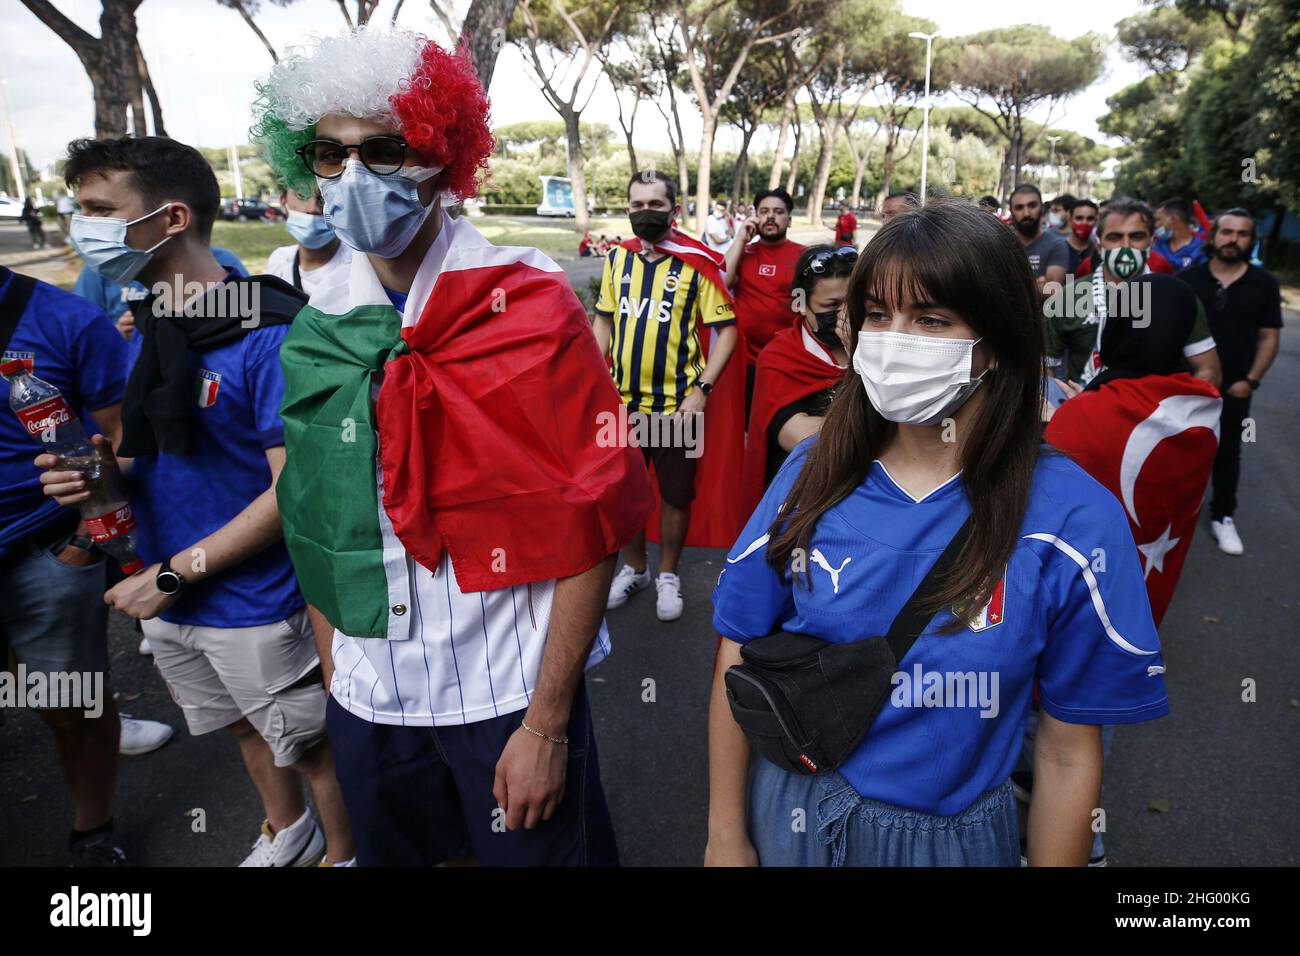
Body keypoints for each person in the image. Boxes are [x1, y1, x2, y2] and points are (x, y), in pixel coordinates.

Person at [253, 25, 646, 866]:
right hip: (369, 704)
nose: (353, 176)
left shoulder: (530, 305)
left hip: (507, 695)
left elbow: (596, 519)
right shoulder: (316, 327)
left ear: (442, 157)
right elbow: (314, 521)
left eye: (385, 150)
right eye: (328, 155)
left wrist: (547, 722)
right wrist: (337, 684)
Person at [705, 200, 1169, 868]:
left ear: (999, 341)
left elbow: (1067, 755)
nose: (895, 340)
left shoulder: (1073, 519)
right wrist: (726, 836)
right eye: (876, 315)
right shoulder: (813, 471)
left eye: (930, 319)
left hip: (950, 844)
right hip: (789, 815)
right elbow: (738, 647)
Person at [47, 134, 355, 868]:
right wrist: (96, 480)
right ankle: (287, 830)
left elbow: (297, 491)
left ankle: (344, 854)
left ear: (173, 217)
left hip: (252, 598)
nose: (80, 226)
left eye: (98, 209)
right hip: (169, 594)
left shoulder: (269, 331)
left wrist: (173, 574)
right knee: (240, 727)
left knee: (310, 744)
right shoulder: (152, 323)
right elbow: (142, 457)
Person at [1, 265, 171, 866]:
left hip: (44, 556)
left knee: (73, 708)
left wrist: (82, 542)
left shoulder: (64, 319)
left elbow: (124, 438)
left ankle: (92, 831)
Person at [593, 171, 740, 621]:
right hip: (623, 405)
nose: (645, 213)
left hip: (679, 407)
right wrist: (593, 377)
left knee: (676, 496)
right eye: (637, 205)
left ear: (674, 210)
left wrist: (702, 392)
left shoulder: (696, 262)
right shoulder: (616, 259)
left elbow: (727, 331)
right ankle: (636, 569)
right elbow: (603, 320)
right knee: (626, 495)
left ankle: (669, 575)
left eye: (655, 205)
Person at [1176, 209, 1283, 556]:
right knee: (1177, 452)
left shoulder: (1264, 284)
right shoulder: (1188, 279)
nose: (1233, 239)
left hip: (1234, 389)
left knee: (1227, 453)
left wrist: (1250, 381)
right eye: (1226, 232)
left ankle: (1223, 516)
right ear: (1213, 236)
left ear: (1251, 241)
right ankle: (1170, 519)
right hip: (1185, 391)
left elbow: (1268, 337)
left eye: (1242, 233)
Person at [1046, 197, 1221, 386]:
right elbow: (1045, 370)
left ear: (1152, 242)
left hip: (1155, 413)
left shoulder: (1179, 299)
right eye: (1115, 237)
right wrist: (1066, 407)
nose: (1126, 246)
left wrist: (1175, 412)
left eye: (1136, 236)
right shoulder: (1068, 298)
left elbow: (1208, 370)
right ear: (1098, 244)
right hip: (1084, 409)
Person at [739, 243, 853, 515]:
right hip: (797, 503)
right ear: (801, 305)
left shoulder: (875, 347)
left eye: (853, 302)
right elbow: (802, 437)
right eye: (832, 305)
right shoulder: (779, 356)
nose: (846, 315)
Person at [723, 187, 805, 414]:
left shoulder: (803, 255)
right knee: (746, 423)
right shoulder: (744, 252)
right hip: (745, 360)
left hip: (786, 360)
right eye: (764, 211)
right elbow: (723, 280)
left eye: (778, 211)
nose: (770, 216)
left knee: (778, 420)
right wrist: (740, 238)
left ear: (789, 219)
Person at [72, 245, 248, 342]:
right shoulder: (100, 268)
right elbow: (79, 333)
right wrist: (116, 333)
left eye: (103, 209)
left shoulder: (223, 261)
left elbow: (250, 318)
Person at [264, 187, 352, 297]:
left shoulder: (361, 267)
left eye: (324, 197)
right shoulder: (279, 261)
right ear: (283, 201)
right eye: (302, 195)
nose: (313, 208)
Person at [1007, 183, 1068, 293]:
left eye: (1032, 205)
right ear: (1011, 211)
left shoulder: (1057, 245)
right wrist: (1038, 284)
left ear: (1042, 208)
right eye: (1019, 207)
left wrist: (1010, 285)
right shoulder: (1002, 245)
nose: (1026, 213)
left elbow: (1052, 289)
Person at [1154, 199, 1206, 271]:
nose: (1156, 225)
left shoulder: (1201, 249)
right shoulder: (1155, 246)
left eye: (1158, 219)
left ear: (1173, 219)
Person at [1064, 198, 1098, 273]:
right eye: (1079, 218)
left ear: (1096, 221)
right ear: (1070, 221)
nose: (1084, 223)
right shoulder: (1058, 250)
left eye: (1090, 218)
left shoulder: (1098, 251)